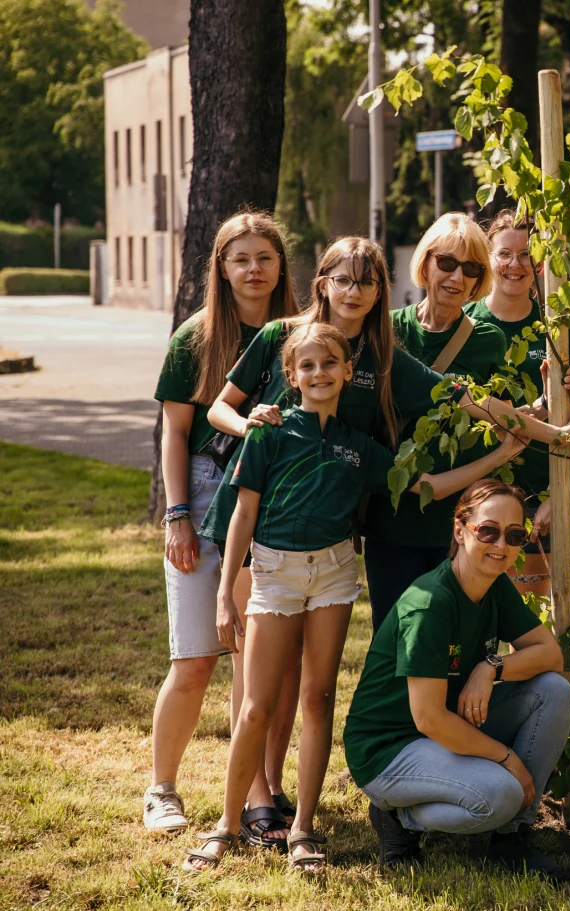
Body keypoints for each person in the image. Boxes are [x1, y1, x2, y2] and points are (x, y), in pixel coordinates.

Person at [199, 235, 570, 849]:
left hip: (327, 529)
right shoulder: (281, 337)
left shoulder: (381, 359)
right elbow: (220, 406)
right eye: (343, 279)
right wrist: (251, 423)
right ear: (321, 281)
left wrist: (551, 432)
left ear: (381, 291)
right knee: (257, 680)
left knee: (314, 685)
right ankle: (255, 801)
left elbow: (468, 402)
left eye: (367, 282)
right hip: (260, 520)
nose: (354, 292)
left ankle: (301, 816)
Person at [144, 211, 300, 836]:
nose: (254, 269)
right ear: (222, 267)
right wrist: (177, 514)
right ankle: (161, 789)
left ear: (281, 264)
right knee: (195, 659)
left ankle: (259, 791)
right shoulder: (196, 337)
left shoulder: (302, 333)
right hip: (207, 492)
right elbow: (176, 433)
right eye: (242, 259)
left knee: (253, 661)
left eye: (265, 257)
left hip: (275, 503)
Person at [344, 479, 570, 878]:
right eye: (488, 531)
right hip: (390, 747)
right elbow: (429, 719)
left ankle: (511, 839)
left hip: (443, 728)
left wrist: (492, 666)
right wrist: (509, 760)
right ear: (459, 530)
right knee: (500, 793)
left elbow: (551, 655)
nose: (501, 545)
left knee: (553, 691)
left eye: (515, 535)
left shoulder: (496, 586)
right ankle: (398, 818)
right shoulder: (430, 604)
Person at [363, 213, 570, 627]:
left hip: (460, 523)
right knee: (390, 636)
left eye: (470, 269)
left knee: (450, 638)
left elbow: (496, 415)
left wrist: (548, 416)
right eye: (447, 263)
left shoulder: (487, 340)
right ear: (425, 262)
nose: (456, 277)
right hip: (393, 517)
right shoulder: (389, 331)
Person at [466, 209, 570, 598]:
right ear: (488, 259)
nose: (515, 265)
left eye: (526, 255)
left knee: (528, 622)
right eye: (504, 254)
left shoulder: (557, 331)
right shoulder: (465, 325)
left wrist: (558, 493)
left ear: (540, 262)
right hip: (474, 495)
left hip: (538, 500)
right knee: (473, 620)